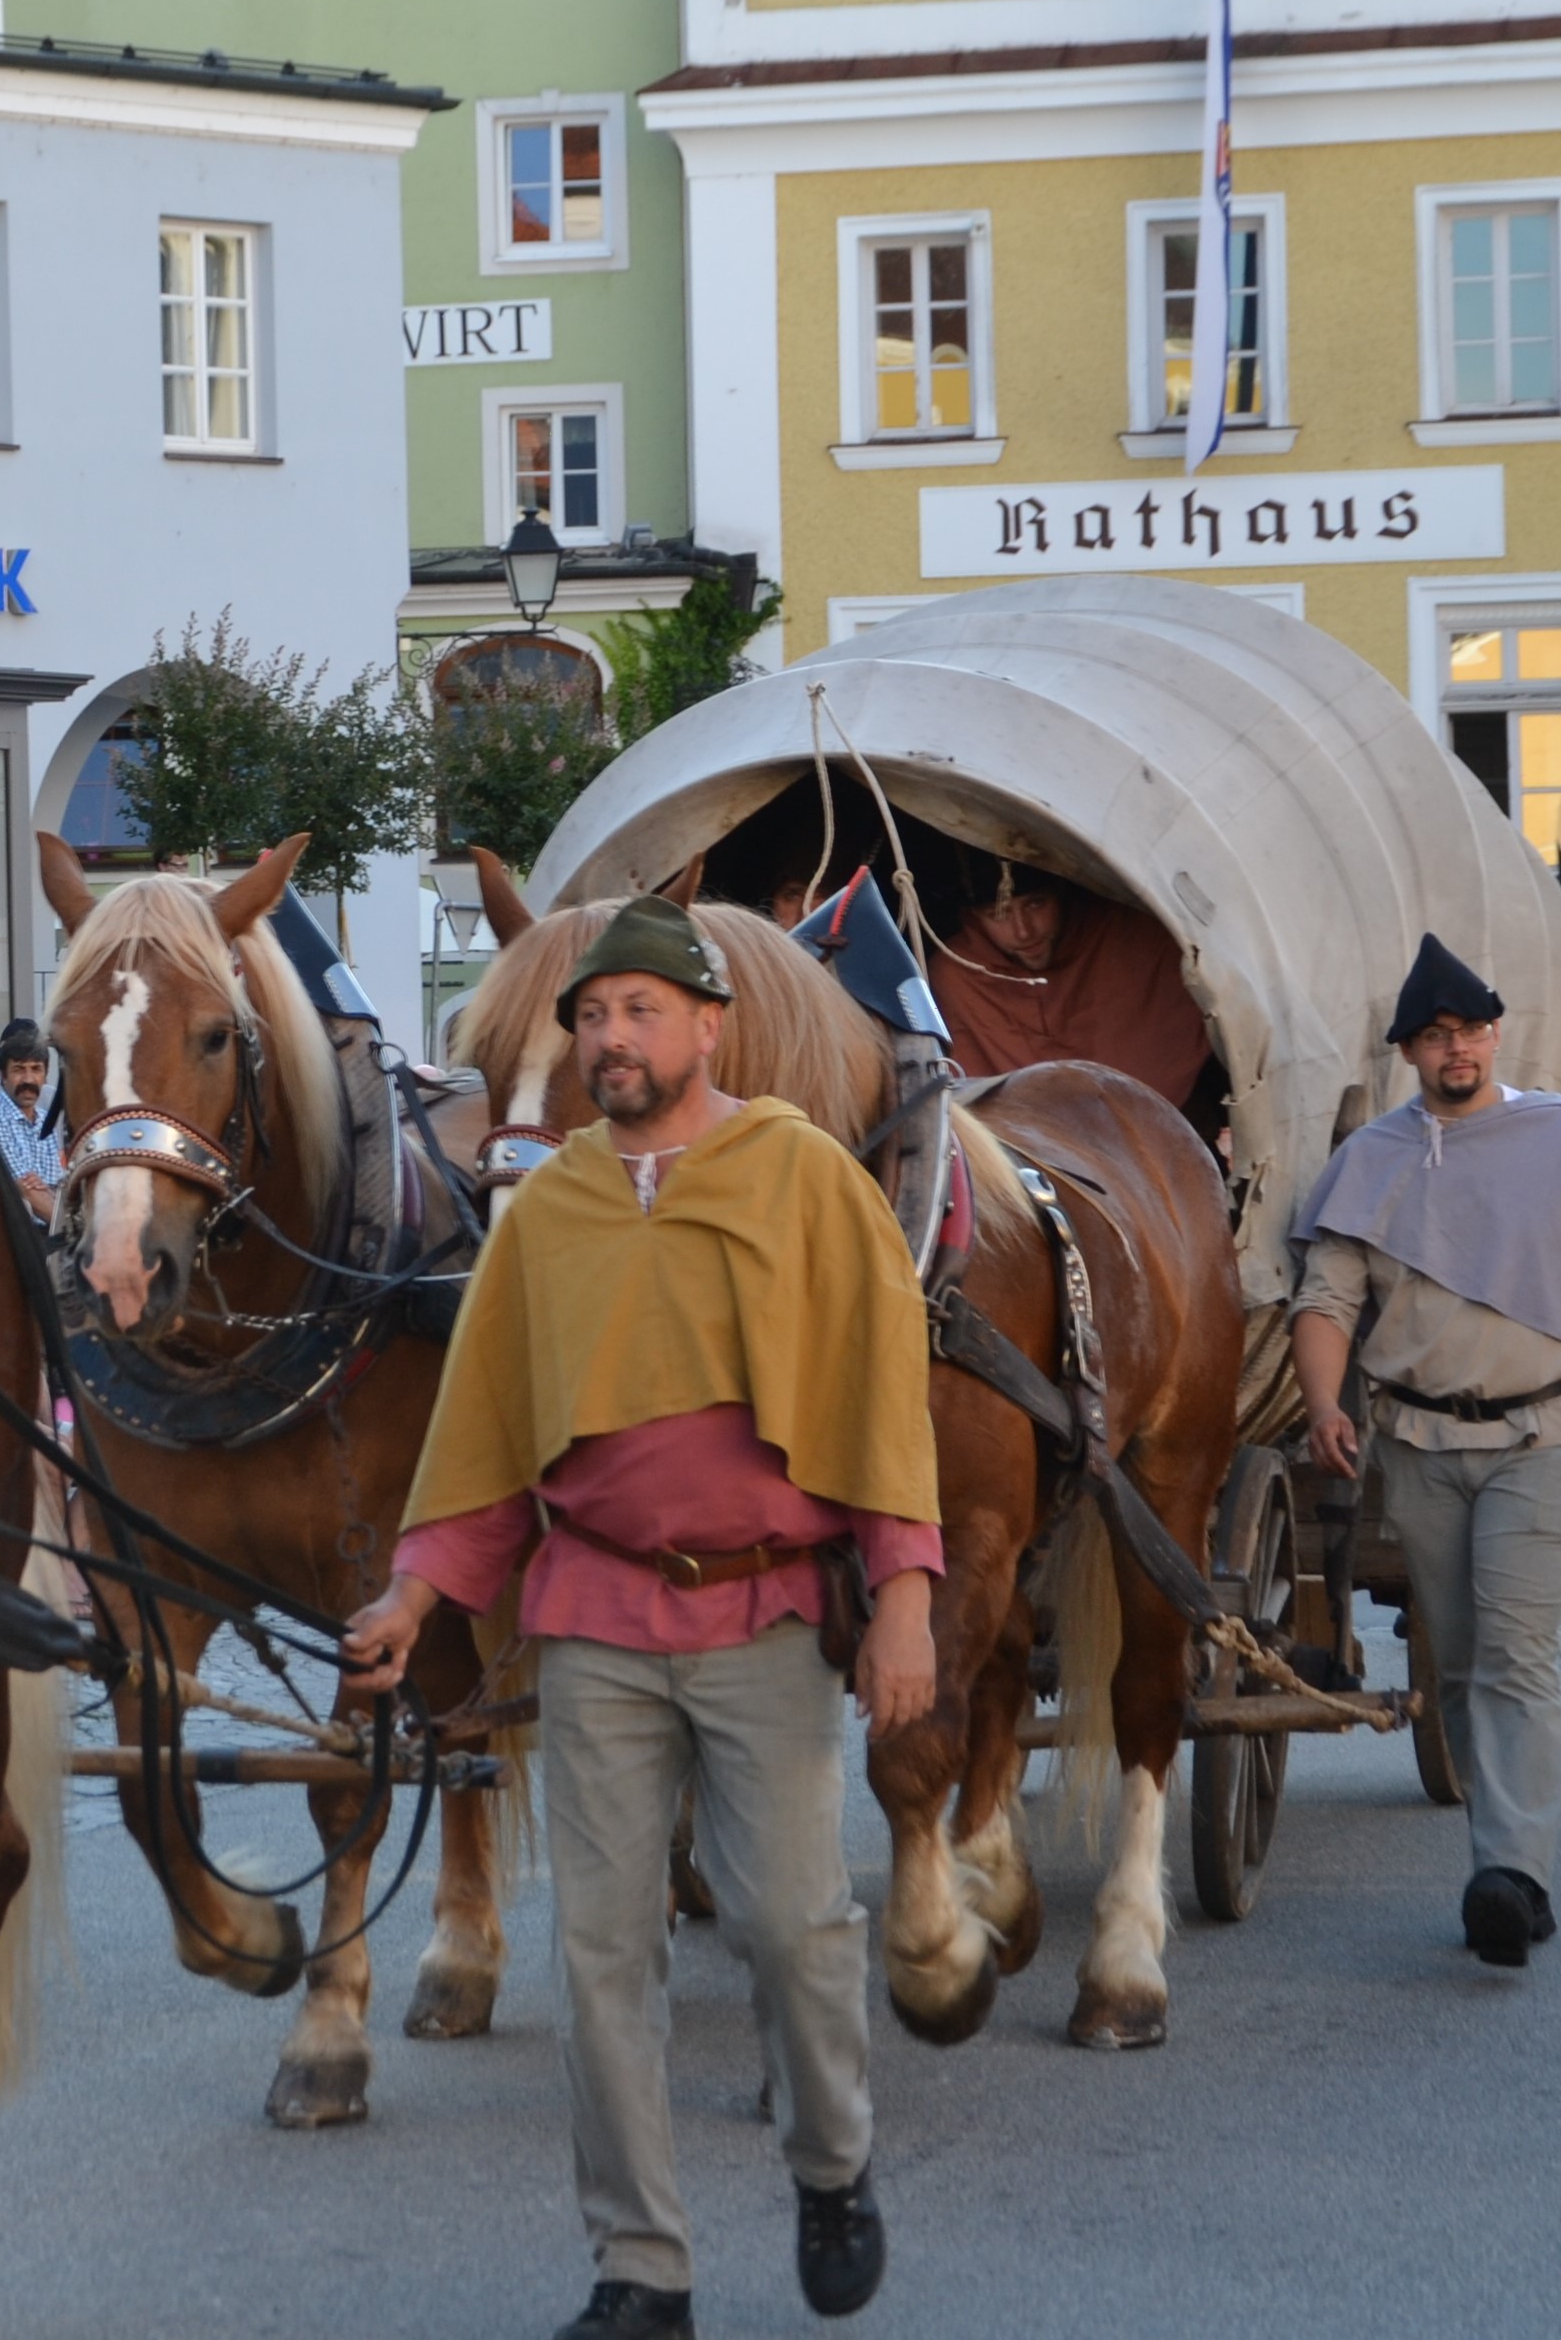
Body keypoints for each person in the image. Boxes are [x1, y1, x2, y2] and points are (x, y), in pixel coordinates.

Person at [342, 897, 938, 2340]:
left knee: (792, 1925)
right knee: (602, 1957)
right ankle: (640, 2268)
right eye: (593, 1018)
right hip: (597, 1621)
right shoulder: (549, 1212)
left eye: (640, 1012)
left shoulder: (803, 1176)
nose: (612, 1038)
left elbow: (881, 1392)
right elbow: (485, 1431)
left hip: (764, 1615)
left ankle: (832, 2163)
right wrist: (414, 1594)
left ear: (708, 1028)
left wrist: (907, 1599)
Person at [1289, 937, 1561, 1968]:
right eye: (1434, 1036)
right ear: (1409, 1051)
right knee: (1457, 1660)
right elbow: (1328, 1297)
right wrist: (1323, 1404)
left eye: (1470, 1031)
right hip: (1417, 1441)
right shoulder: (1371, 1160)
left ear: (1497, 1036)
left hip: (1541, 1435)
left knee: (1515, 1650)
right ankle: (1503, 1855)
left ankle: (1510, 1874)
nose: (1455, 1048)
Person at [922, 853, 1212, 1112]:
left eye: (1035, 904)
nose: (1023, 931)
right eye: (999, 914)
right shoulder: (960, 974)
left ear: (1060, 894)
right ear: (974, 918)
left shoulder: (1130, 940)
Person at [0, 1018, 66, 1222]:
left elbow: (58, 1188)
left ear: (45, 1076)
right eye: (19, 1069)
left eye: (36, 1069)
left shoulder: (43, 1120)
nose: (28, 1080)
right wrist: (72, 1231)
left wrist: (46, 1191)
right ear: (3, 1076)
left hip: (49, 1227)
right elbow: (26, 1191)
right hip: (20, 1234)